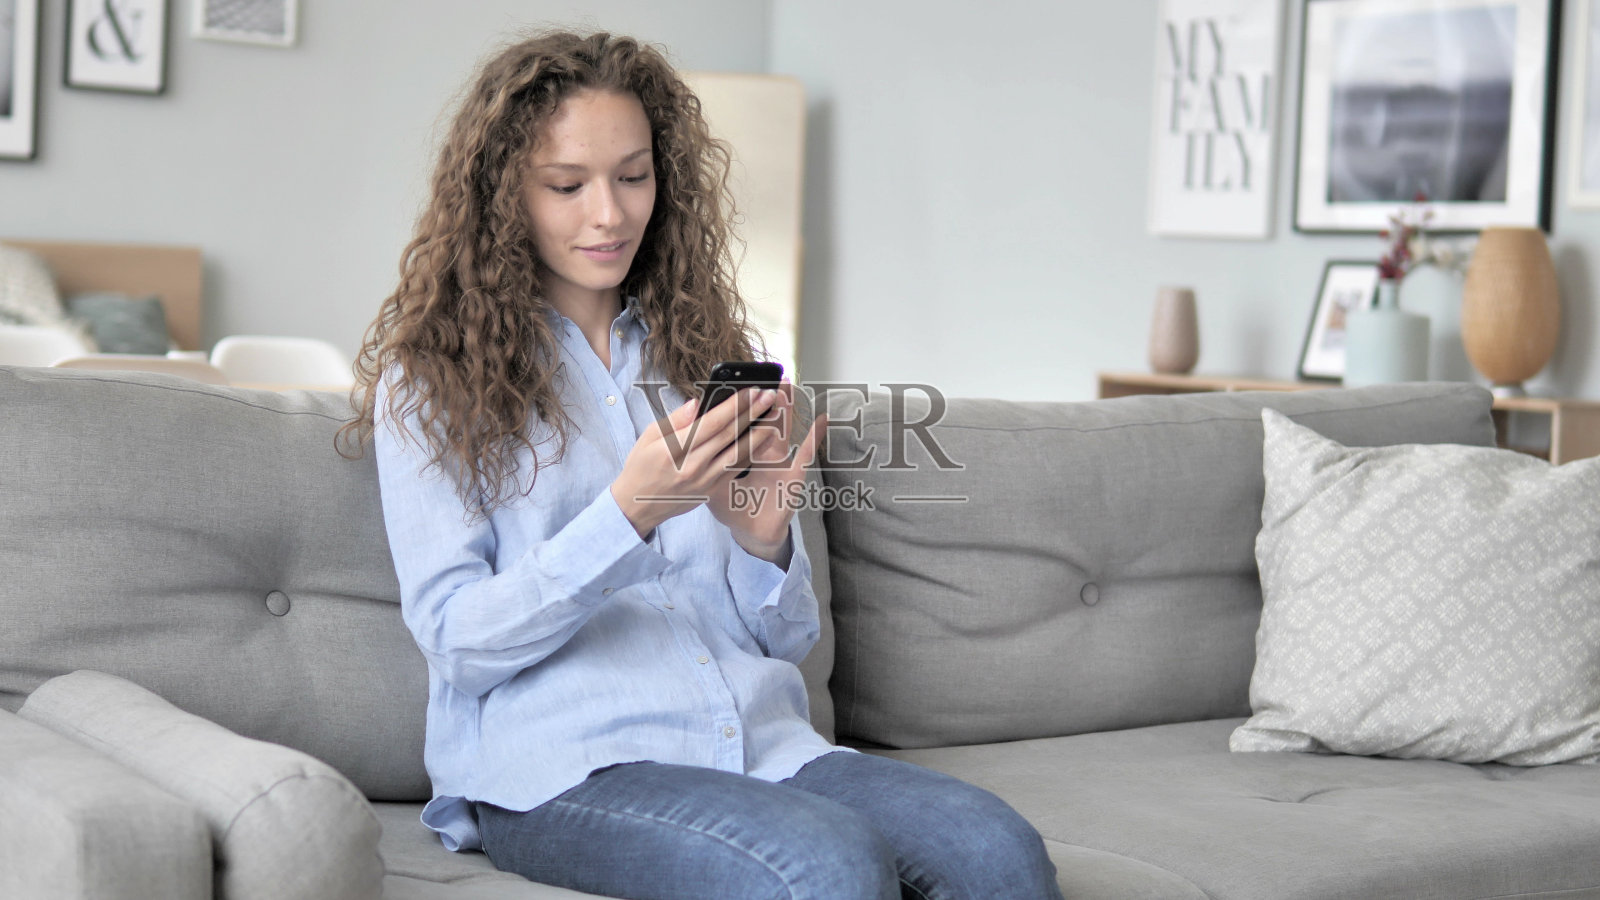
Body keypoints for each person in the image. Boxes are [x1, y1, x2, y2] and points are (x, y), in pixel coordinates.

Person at [342, 30, 1063, 900]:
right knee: (828, 866)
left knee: (1000, 854)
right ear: (503, 196)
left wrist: (761, 548)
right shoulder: (430, 380)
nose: (610, 214)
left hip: (765, 750)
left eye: (634, 176)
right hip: (566, 770)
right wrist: (628, 513)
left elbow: (781, 643)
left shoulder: (706, 353)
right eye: (567, 185)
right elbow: (461, 643)